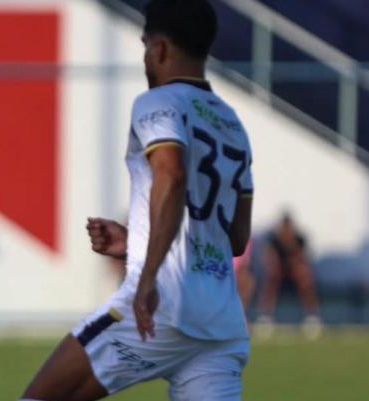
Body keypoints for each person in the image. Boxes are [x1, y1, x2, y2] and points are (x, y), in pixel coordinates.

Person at [21, 1, 253, 400]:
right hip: (221, 328)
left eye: (145, 46)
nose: (145, 56)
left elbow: (172, 174)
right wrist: (137, 242)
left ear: (159, 48)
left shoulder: (158, 103)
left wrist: (148, 273)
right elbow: (234, 238)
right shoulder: (232, 124)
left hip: (163, 304)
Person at [255, 212, 322, 339]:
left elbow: (303, 260)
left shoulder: (299, 239)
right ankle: (266, 317)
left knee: (304, 277)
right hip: (279, 273)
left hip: (294, 272)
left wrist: (292, 250)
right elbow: (269, 259)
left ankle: (312, 316)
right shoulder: (273, 240)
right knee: (271, 279)